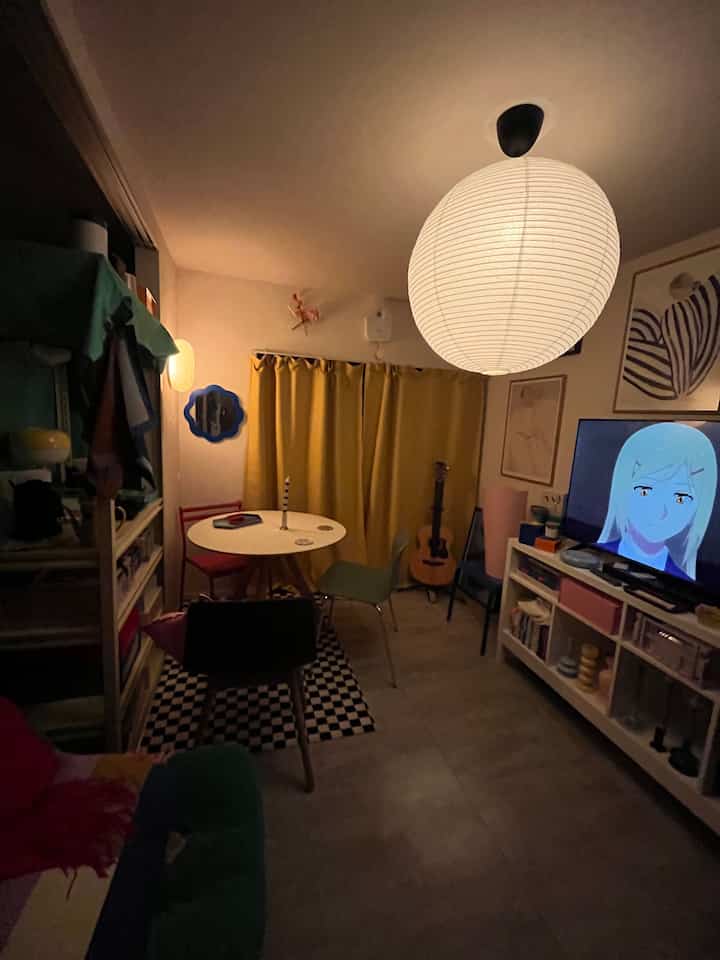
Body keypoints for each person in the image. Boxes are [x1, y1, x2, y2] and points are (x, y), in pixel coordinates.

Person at [596, 422, 717, 581]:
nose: (660, 511)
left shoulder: (683, 578)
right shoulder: (600, 548)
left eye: (679, 498)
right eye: (645, 491)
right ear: (622, 488)